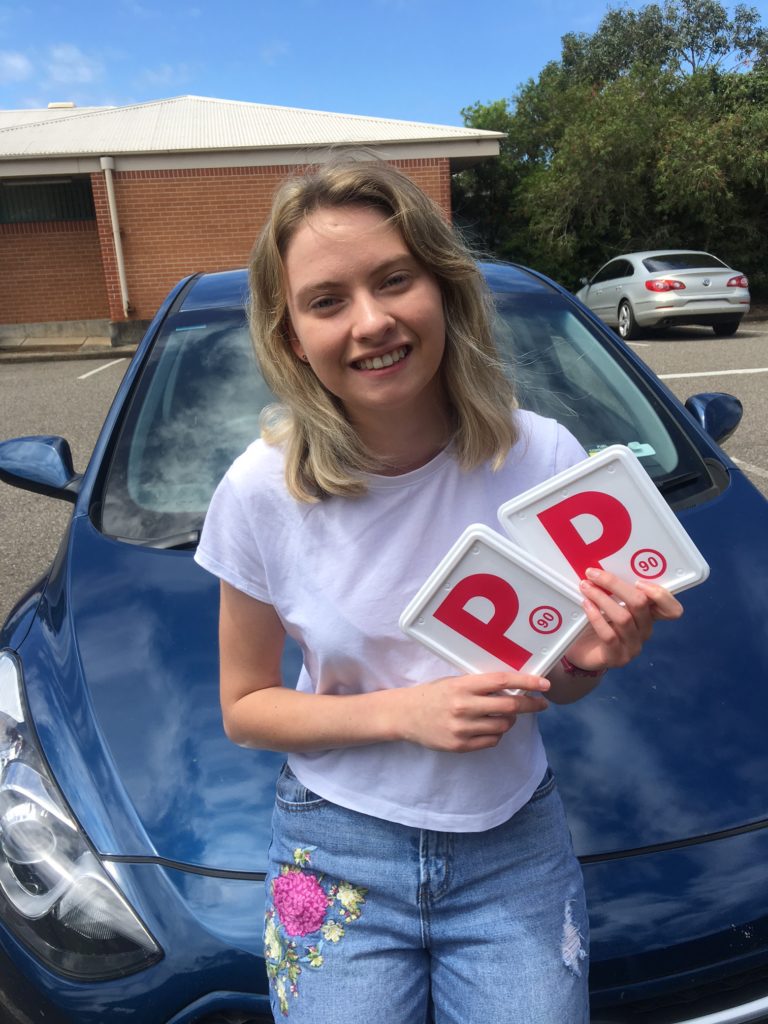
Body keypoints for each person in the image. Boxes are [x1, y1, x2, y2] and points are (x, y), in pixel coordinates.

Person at [194, 157, 683, 1023]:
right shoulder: (260, 491)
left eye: (394, 280)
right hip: (334, 846)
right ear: (290, 334)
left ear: (444, 287)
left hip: (512, 848)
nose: (372, 321)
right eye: (327, 300)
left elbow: (558, 683)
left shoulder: (544, 460)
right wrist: (403, 713)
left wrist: (591, 659)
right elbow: (246, 706)